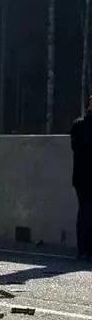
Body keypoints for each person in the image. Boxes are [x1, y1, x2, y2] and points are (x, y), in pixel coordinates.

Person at [69, 95, 92, 261]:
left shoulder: (79, 125)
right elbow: (78, 147)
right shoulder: (80, 125)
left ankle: (84, 249)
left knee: (85, 212)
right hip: (84, 177)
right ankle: (84, 249)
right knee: (86, 212)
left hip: (81, 176)